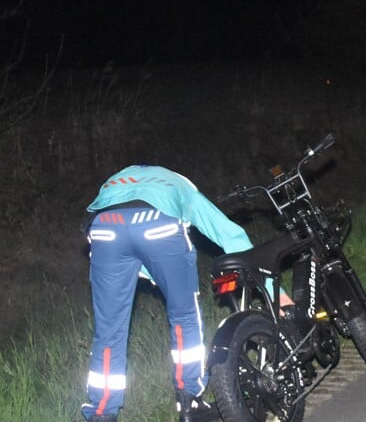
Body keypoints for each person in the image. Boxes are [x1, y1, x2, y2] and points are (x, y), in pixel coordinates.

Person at [80, 165, 270, 422]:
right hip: (157, 225)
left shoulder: (116, 180)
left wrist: (146, 272)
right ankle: (190, 400)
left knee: (108, 329)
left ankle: (102, 411)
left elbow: (119, 229)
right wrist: (273, 290)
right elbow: (230, 235)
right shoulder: (183, 186)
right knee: (183, 314)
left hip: (104, 228)